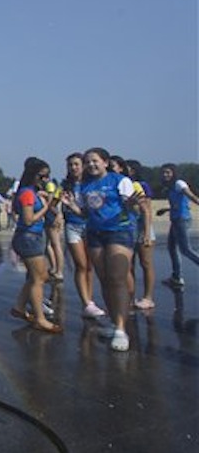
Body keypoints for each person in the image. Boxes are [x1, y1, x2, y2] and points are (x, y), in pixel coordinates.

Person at [61, 148, 142, 352]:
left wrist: (133, 204)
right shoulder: (86, 185)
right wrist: (71, 206)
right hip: (95, 234)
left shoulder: (119, 180)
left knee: (117, 278)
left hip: (119, 232)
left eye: (95, 161)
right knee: (105, 280)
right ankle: (115, 323)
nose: (91, 165)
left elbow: (135, 207)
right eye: (87, 162)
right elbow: (86, 214)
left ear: (105, 162)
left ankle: (122, 330)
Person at [9, 158, 62, 334]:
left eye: (47, 176)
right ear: (33, 175)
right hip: (28, 238)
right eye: (42, 176)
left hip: (31, 237)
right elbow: (28, 219)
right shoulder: (27, 193)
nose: (45, 180)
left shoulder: (31, 192)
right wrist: (46, 207)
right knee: (39, 278)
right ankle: (40, 318)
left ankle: (19, 306)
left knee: (35, 277)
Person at [61, 153, 105, 319]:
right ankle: (86, 302)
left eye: (76, 164)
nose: (73, 168)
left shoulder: (91, 184)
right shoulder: (66, 185)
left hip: (90, 226)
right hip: (73, 227)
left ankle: (89, 301)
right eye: (70, 165)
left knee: (89, 266)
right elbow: (61, 206)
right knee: (80, 265)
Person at [157, 163, 199, 289]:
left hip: (182, 220)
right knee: (171, 247)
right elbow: (177, 204)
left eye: (168, 172)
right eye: (163, 172)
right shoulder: (170, 187)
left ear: (174, 173)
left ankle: (177, 276)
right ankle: (176, 277)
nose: (165, 175)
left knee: (185, 249)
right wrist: (165, 209)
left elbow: (189, 195)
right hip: (176, 220)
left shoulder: (179, 183)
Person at [127, 160, 156, 309]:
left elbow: (147, 209)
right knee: (129, 265)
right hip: (129, 228)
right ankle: (130, 297)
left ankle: (148, 297)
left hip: (142, 226)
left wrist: (146, 232)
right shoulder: (122, 185)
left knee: (146, 263)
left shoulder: (141, 185)